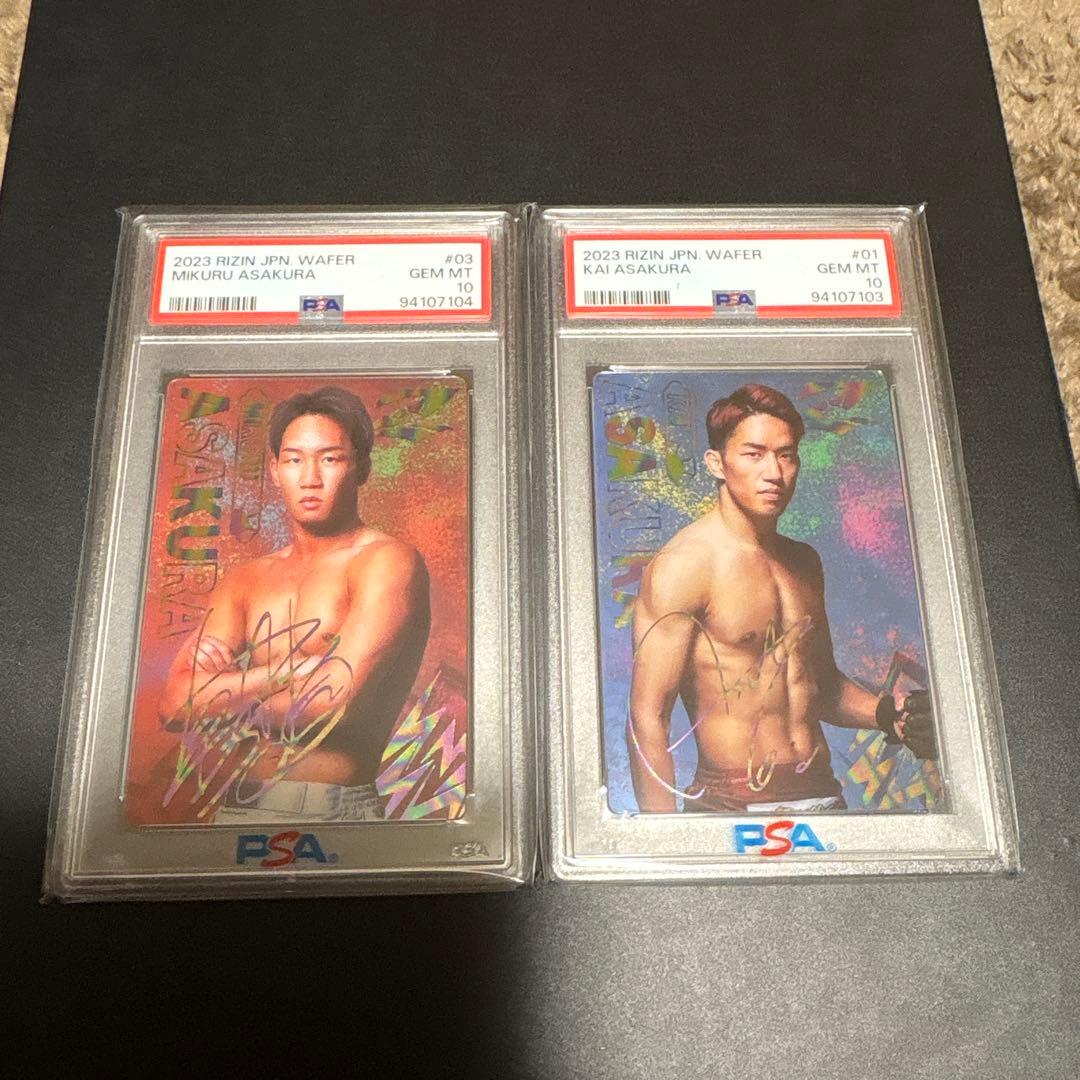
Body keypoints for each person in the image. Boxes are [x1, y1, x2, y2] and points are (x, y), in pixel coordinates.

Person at [628, 383, 933, 814]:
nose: (774, 472)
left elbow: (820, 686)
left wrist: (891, 715)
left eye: (786, 455)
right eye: (754, 454)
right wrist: (665, 844)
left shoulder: (803, 561)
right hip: (732, 804)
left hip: (823, 794)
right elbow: (648, 718)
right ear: (716, 463)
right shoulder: (684, 565)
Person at [159, 385, 430, 822]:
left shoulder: (387, 561)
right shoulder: (245, 579)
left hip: (329, 812)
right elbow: (174, 704)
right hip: (235, 811)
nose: (310, 478)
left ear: (361, 467)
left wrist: (221, 696)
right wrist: (286, 673)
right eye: (293, 459)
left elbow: (332, 705)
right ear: (274, 469)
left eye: (330, 459)